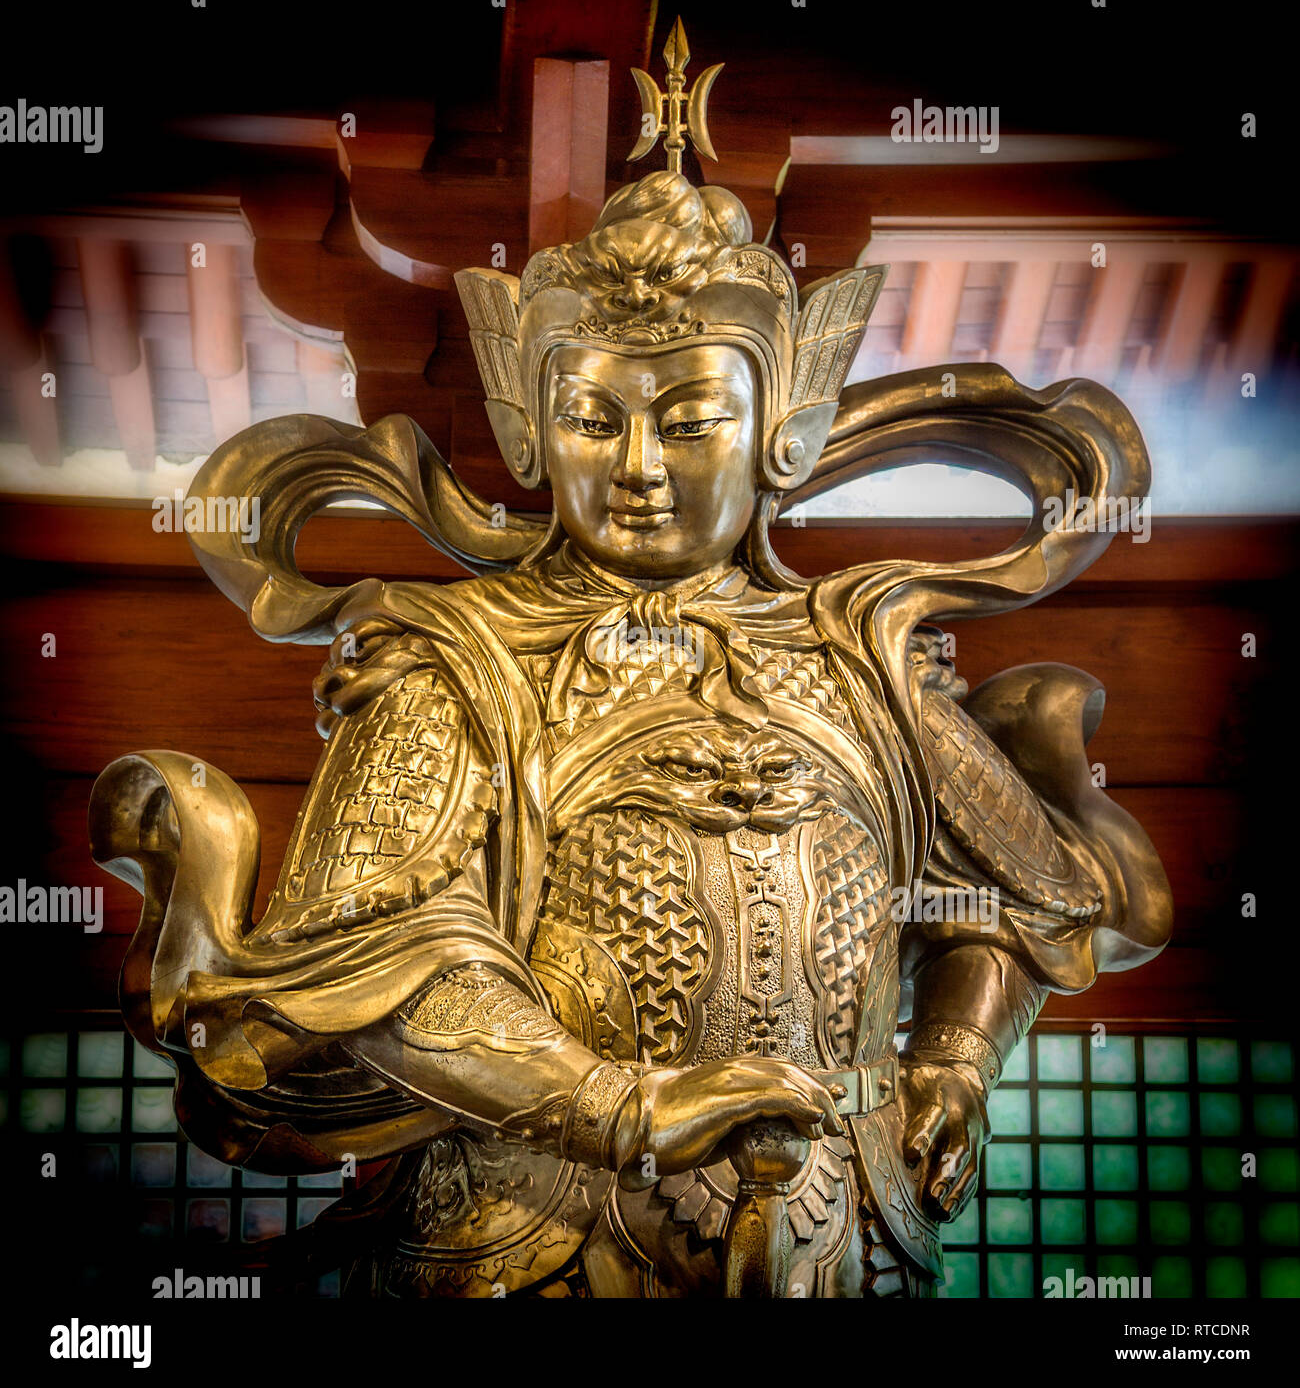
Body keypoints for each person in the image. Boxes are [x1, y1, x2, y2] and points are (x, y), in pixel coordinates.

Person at [91, 168, 1171, 1298]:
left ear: (779, 433)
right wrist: (626, 1107)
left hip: (847, 1235)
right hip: (532, 1229)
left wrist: (953, 1055)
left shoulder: (862, 658)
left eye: (693, 420)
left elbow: (1016, 898)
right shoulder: (460, 655)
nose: (640, 467)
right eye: (593, 420)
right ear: (532, 432)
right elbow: (380, 963)